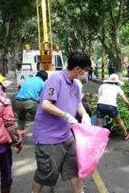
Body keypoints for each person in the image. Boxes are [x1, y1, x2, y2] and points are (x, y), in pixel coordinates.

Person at [32, 51, 92, 193]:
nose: (86, 73)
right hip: (49, 137)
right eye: (86, 70)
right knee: (47, 173)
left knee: (74, 168)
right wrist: (65, 115)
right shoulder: (56, 79)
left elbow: (79, 105)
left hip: (67, 135)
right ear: (78, 69)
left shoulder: (75, 85)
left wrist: (84, 115)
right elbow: (46, 104)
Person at [97, 73, 129, 140]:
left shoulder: (102, 86)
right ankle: (125, 134)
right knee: (119, 121)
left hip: (100, 105)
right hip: (111, 106)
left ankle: (98, 138)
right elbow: (126, 101)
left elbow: (99, 97)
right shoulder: (117, 88)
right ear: (117, 82)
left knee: (99, 123)